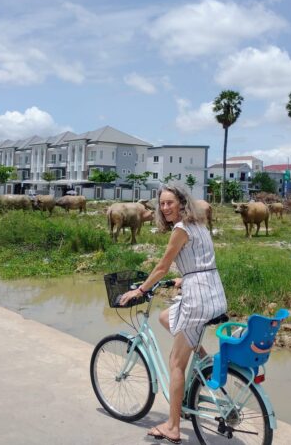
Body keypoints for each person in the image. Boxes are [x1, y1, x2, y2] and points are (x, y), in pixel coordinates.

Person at [118, 183, 227, 445]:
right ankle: (203, 360)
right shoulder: (199, 224)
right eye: (162, 204)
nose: (165, 208)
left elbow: (162, 266)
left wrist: (140, 290)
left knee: (176, 364)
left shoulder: (180, 229)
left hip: (198, 299)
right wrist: (184, 278)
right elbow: (200, 260)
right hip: (213, 292)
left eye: (170, 202)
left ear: (181, 203)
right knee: (166, 317)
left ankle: (173, 427)